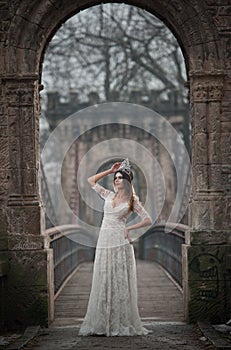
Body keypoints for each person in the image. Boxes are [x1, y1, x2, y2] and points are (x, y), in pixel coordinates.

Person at [79, 159, 152, 336]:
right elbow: (90, 180)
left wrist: (129, 228)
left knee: (118, 278)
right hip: (104, 240)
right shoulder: (108, 195)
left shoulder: (132, 201)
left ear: (127, 182)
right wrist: (109, 171)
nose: (117, 180)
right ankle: (102, 322)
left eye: (120, 177)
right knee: (104, 276)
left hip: (120, 241)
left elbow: (148, 219)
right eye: (116, 178)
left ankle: (119, 321)